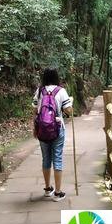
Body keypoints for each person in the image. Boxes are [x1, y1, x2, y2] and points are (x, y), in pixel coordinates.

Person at [32, 68, 73, 202]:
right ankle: (58, 192)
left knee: (46, 159)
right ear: (56, 77)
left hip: (42, 129)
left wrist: (34, 128)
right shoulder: (61, 91)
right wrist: (70, 104)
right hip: (57, 128)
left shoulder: (39, 91)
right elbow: (68, 111)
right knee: (58, 159)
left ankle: (48, 189)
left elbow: (35, 111)